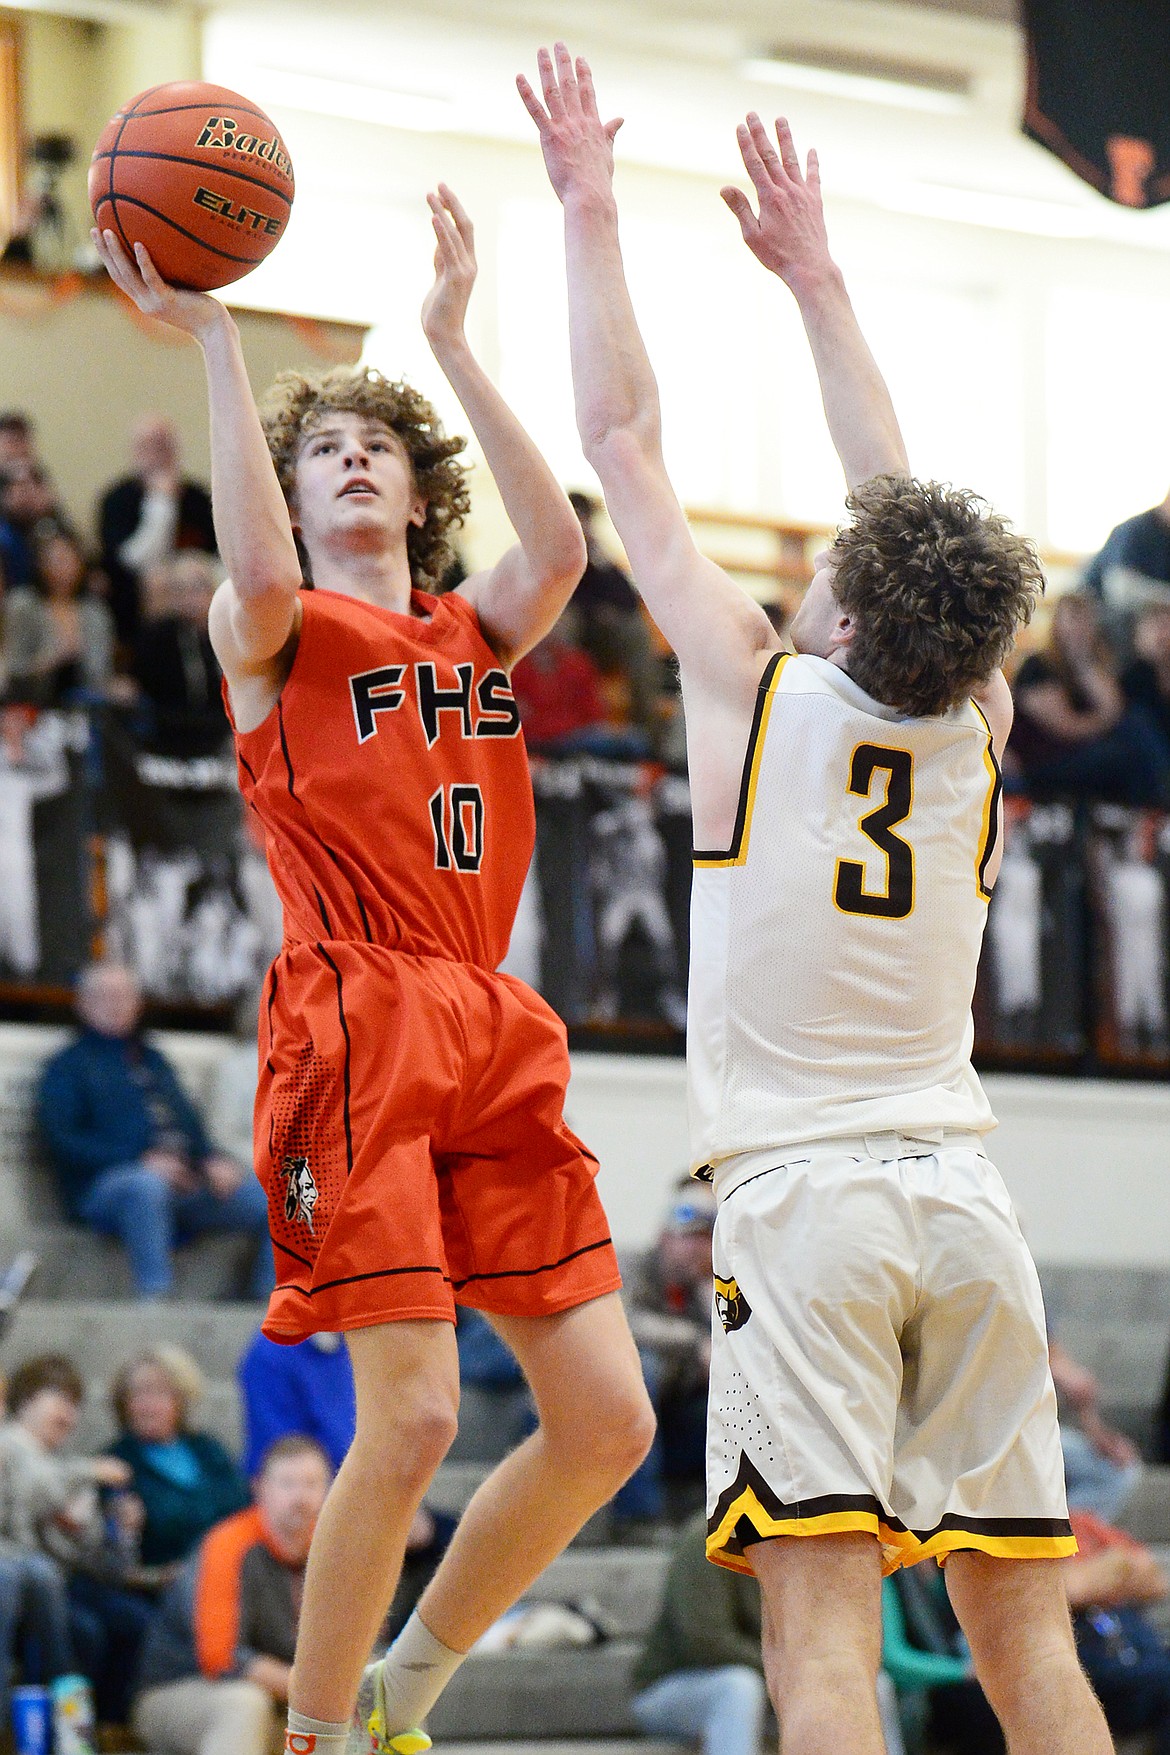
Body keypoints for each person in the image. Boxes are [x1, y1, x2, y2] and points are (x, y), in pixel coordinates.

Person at [520, 44, 1111, 1754]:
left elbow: (620, 442)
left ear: (841, 629)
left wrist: (588, 205)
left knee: (825, 1648)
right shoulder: (979, 728)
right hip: (972, 1214)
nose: (804, 572)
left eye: (821, 576)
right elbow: (905, 510)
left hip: (811, 1209)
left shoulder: (758, 698)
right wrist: (823, 284)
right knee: (1028, 1648)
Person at [92, 175, 654, 1755]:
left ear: (416, 495)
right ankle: (322, 1731)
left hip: (490, 1014)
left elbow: (558, 540)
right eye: (322, 448)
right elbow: (259, 573)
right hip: (352, 1015)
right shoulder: (268, 631)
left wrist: (450, 350)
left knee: (609, 1419)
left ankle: (410, 1684)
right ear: (287, 488)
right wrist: (214, 343)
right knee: (412, 1410)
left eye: (376, 449)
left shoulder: (477, 633)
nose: (351, 460)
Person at [36, 962, 274, 1300]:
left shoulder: (153, 1060)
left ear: (138, 1003)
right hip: (106, 1188)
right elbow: (63, 1140)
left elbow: (190, 1127)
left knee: (280, 1201)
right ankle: (155, 1302)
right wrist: (139, 1161)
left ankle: (272, 1313)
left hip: (183, 1183)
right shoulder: (67, 1067)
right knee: (144, 1186)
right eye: (104, 996)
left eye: (124, 996)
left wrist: (212, 1161)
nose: (116, 1004)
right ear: (83, 1004)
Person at [132, 1435, 331, 1755]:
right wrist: (324, 1692)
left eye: (312, 1484)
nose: (301, 1497)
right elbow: (221, 1659)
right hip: (182, 1691)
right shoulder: (228, 1544)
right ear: (259, 1489)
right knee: (245, 1702)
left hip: (285, 1701)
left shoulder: (334, 1551)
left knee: (380, 1699)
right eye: (288, 1484)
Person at [0, 1354, 151, 1725]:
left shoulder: (64, 1465)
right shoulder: (10, 1446)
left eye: (76, 1406)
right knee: (84, 1629)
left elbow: (99, 1562)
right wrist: (89, 1471)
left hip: (62, 1582)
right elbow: (33, 1492)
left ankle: (107, 1728)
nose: (70, 1415)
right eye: (61, 1401)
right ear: (29, 1398)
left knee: (133, 1620)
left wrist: (123, 1531)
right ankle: (58, 1728)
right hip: (21, 1579)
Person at [1008, 592, 1168, 805]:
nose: (1080, 626)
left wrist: (1082, 660)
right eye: (1073, 618)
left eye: (1086, 619)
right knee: (1126, 747)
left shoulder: (1089, 665)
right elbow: (1067, 727)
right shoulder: (1036, 667)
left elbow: (1115, 707)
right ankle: (1161, 801)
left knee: (1135, 726)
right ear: (1057, 623)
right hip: (1041, 761)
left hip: (1077, 753)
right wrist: (1105, 723)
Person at [106, 1345, 250, 1569]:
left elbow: (241, 1505)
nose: (148, 1405)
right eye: (138, 1394)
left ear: (181, 1400)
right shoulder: (115, 1464)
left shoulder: (207, 1450)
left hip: (228, 1565)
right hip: (161, 1584)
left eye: (159, 1393)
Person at [98, 415, 216, 642]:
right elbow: (132, 561)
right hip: (136, 603)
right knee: (158, 581)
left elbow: (216, 554)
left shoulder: (198, 497)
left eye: (162, 445)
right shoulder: (116, 499)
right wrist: (161, 503)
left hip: (200, 592)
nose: (155, 455)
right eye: (146, 446)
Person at [131, 550, 230, 756]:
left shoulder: (228, 632)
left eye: (197, 587)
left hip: (222, 736)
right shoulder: (158, 636)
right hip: (171, 738)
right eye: (180, 589)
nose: (190, 597)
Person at [6, 531, 115, 707]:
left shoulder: (96, 611)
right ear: (40, 564)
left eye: (70, 559)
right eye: (57, 560)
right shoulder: (23, 605)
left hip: (86, 703)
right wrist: (50, 662)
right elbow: (12, 670)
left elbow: (101, 673)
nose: (64, 567)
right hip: (32, 702)